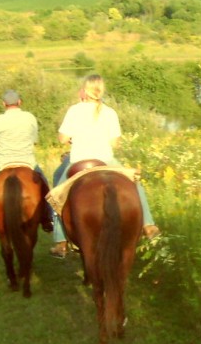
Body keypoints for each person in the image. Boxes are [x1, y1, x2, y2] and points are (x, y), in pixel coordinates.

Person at [49, 74, 158, 258]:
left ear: (85, 90)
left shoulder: (74, 110)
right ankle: (148, 225)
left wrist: (73, 138)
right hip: (106, 161)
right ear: (101, 90)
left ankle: (61, 242)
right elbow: (115, 143)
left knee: (56, 196)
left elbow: (62, 139)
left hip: (79, 160)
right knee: (134, 182)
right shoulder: (110, 112)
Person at [0, 89, 52, 234]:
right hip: (27, 161)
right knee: (45, 185)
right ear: (19, 102)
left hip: (3, 162)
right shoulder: (29, 117)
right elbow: (35, 139)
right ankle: (47, 219)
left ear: (4, 104)